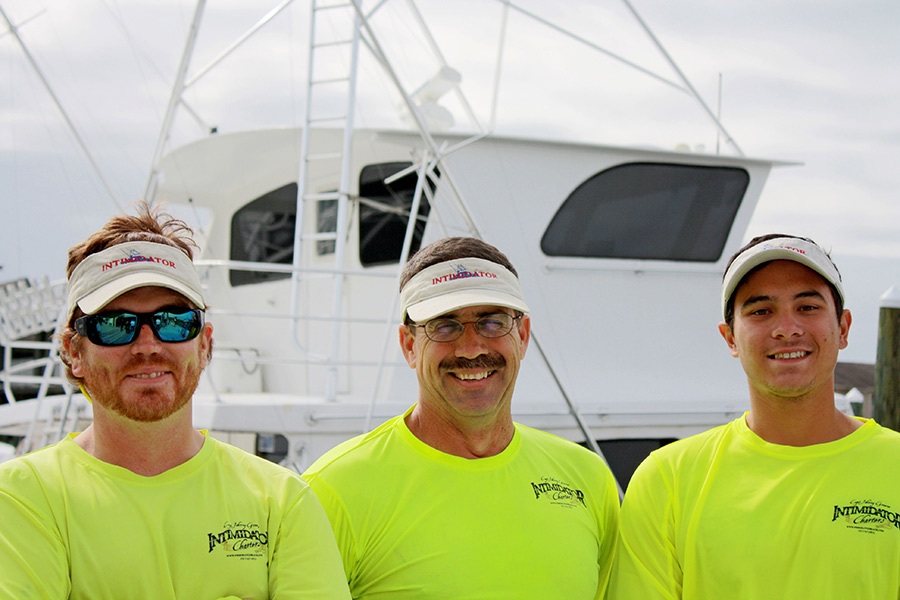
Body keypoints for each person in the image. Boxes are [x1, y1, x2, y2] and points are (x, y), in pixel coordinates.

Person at [0, 202, 351, 599]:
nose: (147, 345)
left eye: (174, 322)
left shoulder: (283, 501)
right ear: (73, 351)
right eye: (116, 325)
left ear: (205, 343)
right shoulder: (20, 497)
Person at [302, 236, 620, 599]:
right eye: (444, 325)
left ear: (523, 336)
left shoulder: (587, 477)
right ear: (409, 345)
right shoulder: (332, 490)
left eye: (492, 322)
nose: (471, 349)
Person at [610, 234, 900, 599]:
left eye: (807, 307)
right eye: (761, 311)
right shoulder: (667, 480)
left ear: (842, 328)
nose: (787, 328)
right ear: (730, 337)